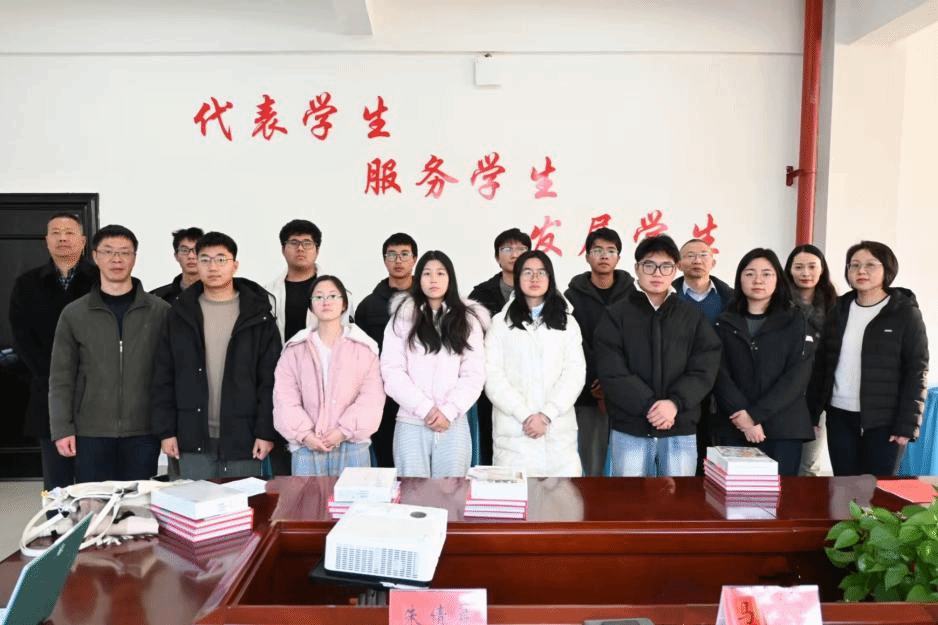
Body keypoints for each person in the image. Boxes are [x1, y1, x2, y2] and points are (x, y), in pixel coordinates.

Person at [152, 231, 282, 479]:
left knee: (243, 501)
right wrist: (166, 431)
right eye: (205, 259)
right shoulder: (179, 314)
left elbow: (270, 380)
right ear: (196, 263)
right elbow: (163, 376)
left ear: (235, 265)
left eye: (221, 259)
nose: (213, 267)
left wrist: (265, 432)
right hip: (191, 435)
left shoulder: (259, 315)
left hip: (245, 436)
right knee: (193, 500)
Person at [49, 224, 169, 482]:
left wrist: (169, 428)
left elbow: (171, 373)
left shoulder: (160, 312)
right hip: (90, 431)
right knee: (93, 502)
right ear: (94, 256)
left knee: (137, 503)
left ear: (134, 258)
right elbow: (61, 378)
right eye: (108, 251)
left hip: (144, 431)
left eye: (125, 252)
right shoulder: (74, 314)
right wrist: (61, 428)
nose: (117, 259)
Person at [594, 234, 721, 477]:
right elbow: (612, 371)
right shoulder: (615, 315)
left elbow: (705, 369)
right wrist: (649, 405)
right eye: (649, 265)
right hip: (631, 427)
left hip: (679, 426)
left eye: (666, 266)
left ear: (676, 269)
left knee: (677, 498)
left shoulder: (692, 317)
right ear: (636, 269)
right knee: (629, 497)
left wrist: (674, 404)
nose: (657, 273)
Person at [820, 241, 928, 476]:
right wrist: (813, 414)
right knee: (844, 487)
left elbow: (916, 370)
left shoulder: (904, 313)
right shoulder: (838, 309)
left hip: (885, 421)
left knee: (878, 489)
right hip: (840, 416)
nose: (861, 271)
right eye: (854, 265)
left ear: (887, 269)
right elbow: (823, 364)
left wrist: (907, 425)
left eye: (870, 265)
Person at [9, 213, 96, 490]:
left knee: (96, 482)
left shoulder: (100, 279)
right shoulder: (27, 283)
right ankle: (58, 521)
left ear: (83, 240)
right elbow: (21, 337)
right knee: (57, 482)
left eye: (69, 232)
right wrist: (54, 375)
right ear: (46, 241)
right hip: (47, 390)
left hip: (96, 392)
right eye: (55, 232)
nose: (62, 238)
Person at [381, 251, 487, 477]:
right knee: (412, 492)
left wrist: (448, 411)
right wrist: (425, 409)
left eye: (440, 273)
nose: (433, 280)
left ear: (450, 278)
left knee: (452, 491)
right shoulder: (402, 318)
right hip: (411, 422)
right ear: (418, 279)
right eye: (427, 274)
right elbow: (392, 371)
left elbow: (474, 374)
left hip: (453, 423)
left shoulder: (467, 320)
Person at [713, 248, 815, 476]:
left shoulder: (796, 320)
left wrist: (755, 416)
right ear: (739, 279)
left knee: (781, 494)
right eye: (750, 273)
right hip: (735, 425)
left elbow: (797, 376)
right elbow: (719, 374)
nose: (758, 280)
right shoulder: (724, 322)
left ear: (778, 279)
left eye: (766, 274)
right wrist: (743, 416)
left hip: (783, 427)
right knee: (736, 494)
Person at [486, 251, 586, 477]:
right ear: (517, 278)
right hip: (515, 433)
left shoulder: (567, 322)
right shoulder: (500, 324)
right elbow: (492, 376)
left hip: (558, 434)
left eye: (541, 273)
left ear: (550, 278)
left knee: (562, 498)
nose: (535, 278)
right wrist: (524, 415)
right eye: (527, 272)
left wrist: (547, 415)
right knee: (518, 497)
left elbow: (575, 373)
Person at [274, 276, 385, 475]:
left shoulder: (364, 348)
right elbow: (284, 398)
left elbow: (372, 398)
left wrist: (342, 432)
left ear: (344, 304)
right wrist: (306, 435)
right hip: (307, 446)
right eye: (318, 297)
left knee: (354, 497)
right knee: (307, 497)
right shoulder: (295, 349)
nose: (326, 301)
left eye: (333, 296)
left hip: (352, 445)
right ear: (311, 306)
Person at [564, 227, 633, 476]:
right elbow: (575, 344)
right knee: (590, 465)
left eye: (611, 251)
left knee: (628, 468)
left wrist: (613, 382)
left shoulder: (633, 296)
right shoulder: (570, 297)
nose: (604, 256)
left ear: (618, 258)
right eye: (598, 250)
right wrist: (598, 382)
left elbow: (634, 344)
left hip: (627, 392)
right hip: (587, 392)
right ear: (587, 256)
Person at [354, 232, 418, 468]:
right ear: (384, 260)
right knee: (386, 462)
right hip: (383, 397)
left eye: (404, 254)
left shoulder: (428, 300)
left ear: (415, 259)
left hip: (420, 395)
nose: (398, 260)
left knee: (417, 466)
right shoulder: (368, 305)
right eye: (392, 255)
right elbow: (359, 355)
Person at [469, 227, 531, 464]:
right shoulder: (480, 295)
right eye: (507, 249)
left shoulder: (544, 294)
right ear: (497, 257)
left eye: (521, 249)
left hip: (531, 385)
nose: (514, 254)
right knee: (492, 447)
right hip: (492, 385)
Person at [673, 238, 735, 475]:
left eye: (702, 255)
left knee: (716, 454)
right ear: (679, 264)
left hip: (721, 386)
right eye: (689, 255)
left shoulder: (730, 298)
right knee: (685, 457)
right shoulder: (669, 295)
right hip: (680, 384)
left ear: (713, 262)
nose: (696, 260)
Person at [784, 244, 837, 476]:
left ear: (822, 269)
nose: (805, 273)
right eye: (799, 267)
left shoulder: (836, 306)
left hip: (818, 395)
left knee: (808, 465)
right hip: (782, 394)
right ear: (789, 270)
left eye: (812, 266)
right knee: (779, 462)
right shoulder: (779, 304)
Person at [266, 219, 321, 343]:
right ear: (283, 250)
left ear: (317, 251)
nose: (300, 248)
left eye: (307, 243)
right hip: (280, 355)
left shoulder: (336, 292)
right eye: (293, 242)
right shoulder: (267, 293)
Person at [151, 227, 204, 303]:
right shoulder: (158, 298)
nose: (191, 256)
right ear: (176, 256)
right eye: (184, 250)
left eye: (196, 250)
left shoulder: (218, 294)